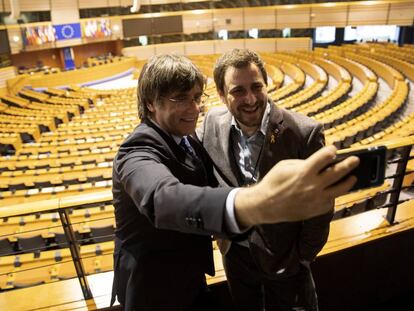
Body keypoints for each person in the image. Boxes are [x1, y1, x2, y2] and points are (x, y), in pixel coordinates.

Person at [111, 54, 359, 311]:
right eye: (181, 99)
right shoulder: (136, 149)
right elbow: (163, 199)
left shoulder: (186, 136)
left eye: (196, 98)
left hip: (242, 270)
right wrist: (255, 203)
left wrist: (303, 256)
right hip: (155, 289)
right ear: (151, 103)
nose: (195, 108)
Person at [197, 49, 333, 311]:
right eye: (238, 91)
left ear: (266, 85)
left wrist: (302, 257)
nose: (250, 99)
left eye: (256, 87)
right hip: (235, 256)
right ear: (222, 95)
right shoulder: (213, 122)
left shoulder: (304, 133)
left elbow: (322, 204)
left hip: (287, 260)